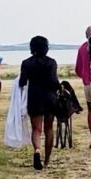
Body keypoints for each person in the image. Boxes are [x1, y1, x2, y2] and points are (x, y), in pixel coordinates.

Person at [19, 36, 60, 170]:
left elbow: (22, 82)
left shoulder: (26, 63)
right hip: (49, 97)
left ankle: (37, 150)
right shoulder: (51, 62)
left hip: (34, 97)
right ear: (46, 48)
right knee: (49, 129)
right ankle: (47, 160)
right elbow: (53, 81)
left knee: (36, 129)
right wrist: (60, 87)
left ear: (32, 48)